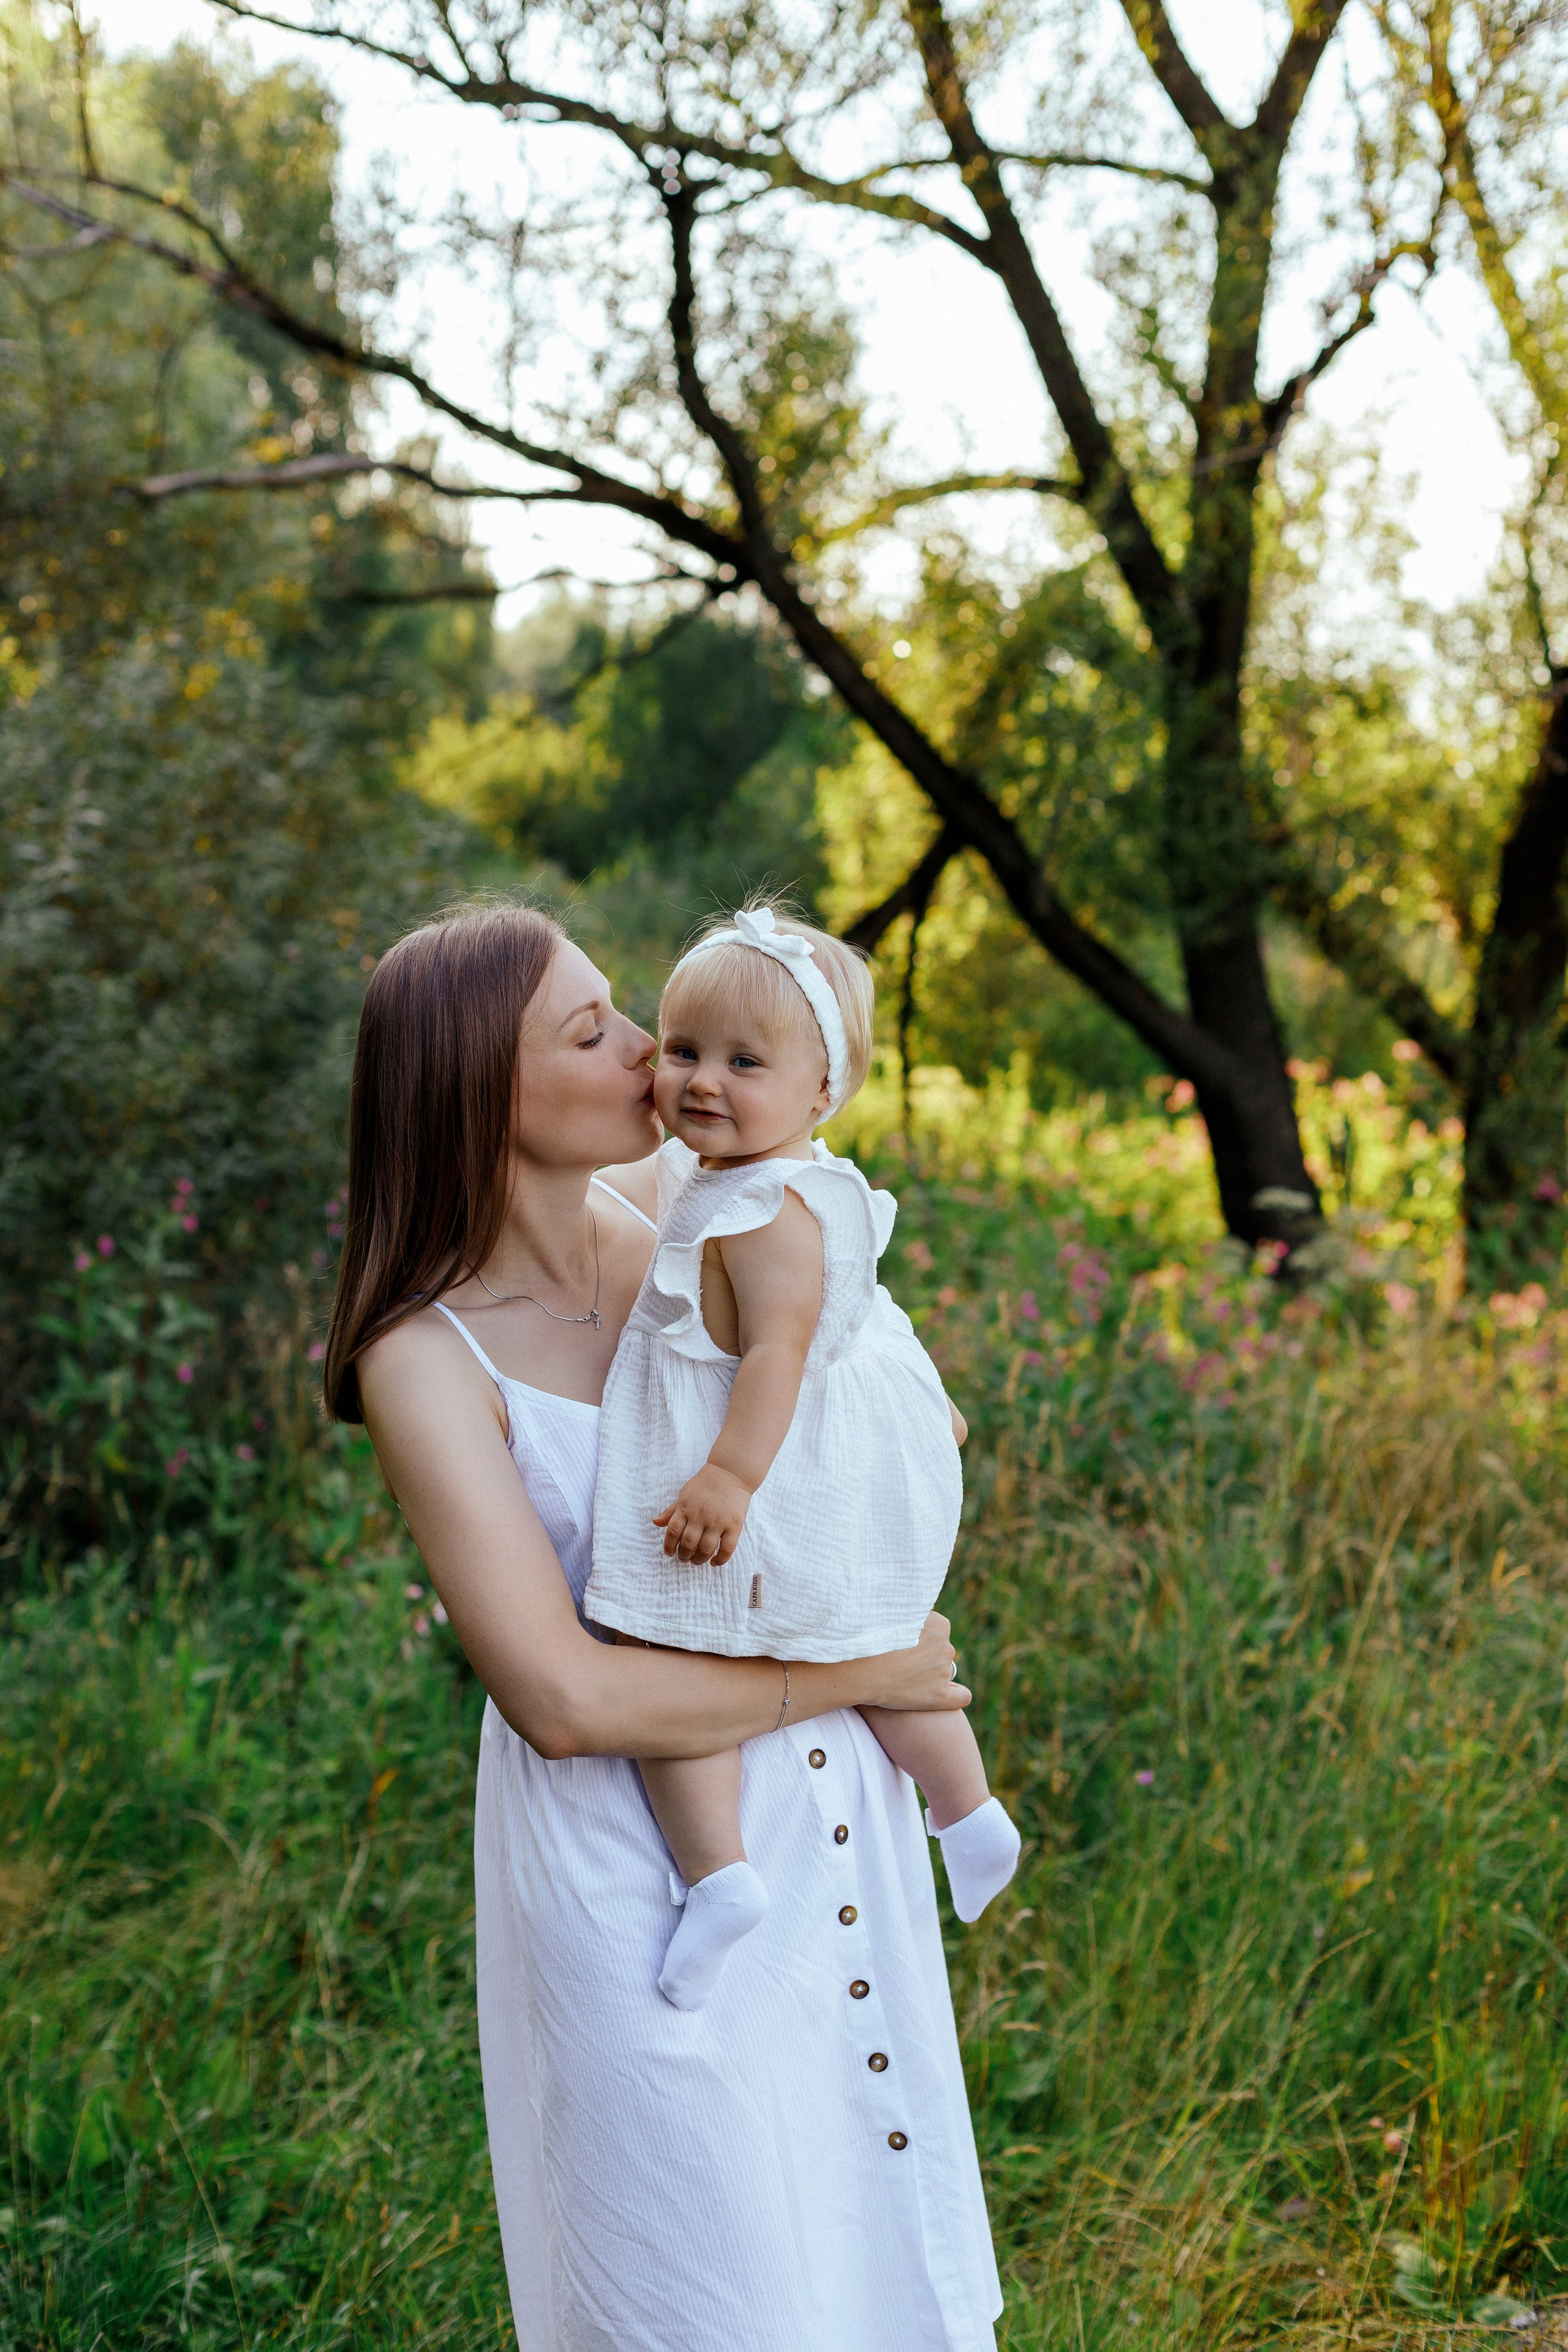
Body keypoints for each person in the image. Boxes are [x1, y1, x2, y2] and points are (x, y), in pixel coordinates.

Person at [323, 898, 1004, 2352]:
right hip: (636, 1877)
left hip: (829, 1819)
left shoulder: (693, 1216)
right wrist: (864, 1672)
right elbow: (561, 1699)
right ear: (477, 1093)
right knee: (709, 2284)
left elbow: (861, 1374)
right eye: (594, 1031)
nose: (649, 1054)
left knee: (865, 2264)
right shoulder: (424, 1359)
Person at [585, 907, 1020, 2008]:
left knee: (675, 1654)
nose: (702, 1082)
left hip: (775, 1472)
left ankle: (717, 1874)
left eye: (744, 1062)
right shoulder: (751, 1175)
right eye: (682, 1050)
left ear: (822, 1093)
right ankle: (968, 1815)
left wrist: (726, 1479)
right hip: (814, 1464)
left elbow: (779, 1351)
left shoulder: (768, 1209)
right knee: (867, 1638)